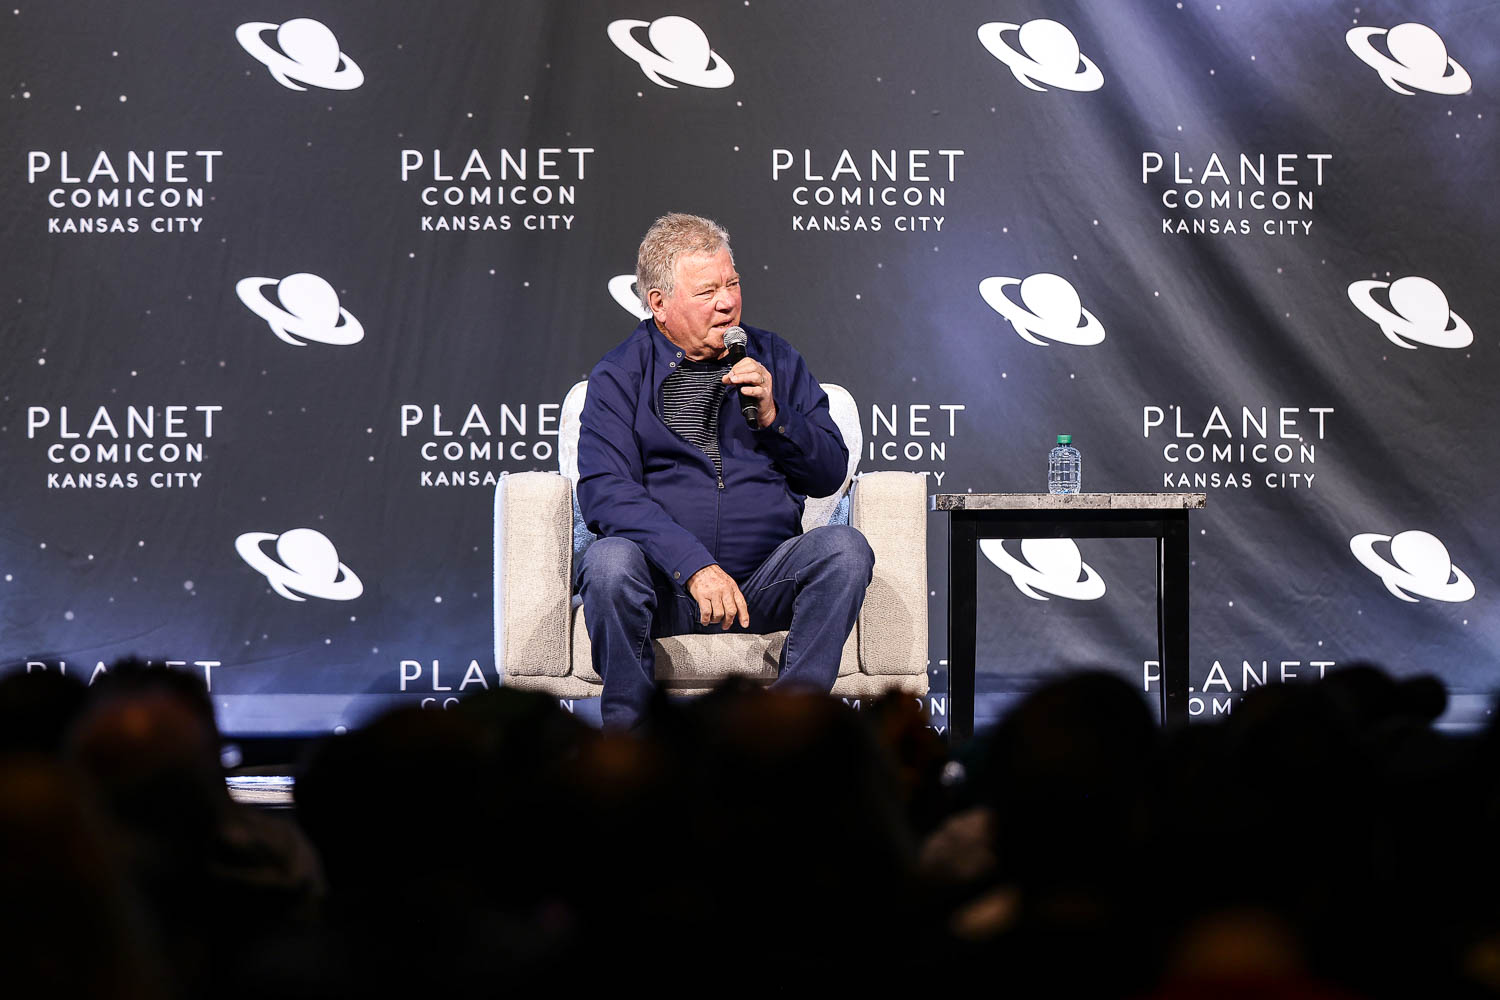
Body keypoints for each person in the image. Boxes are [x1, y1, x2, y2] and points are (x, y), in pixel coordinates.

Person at [576, 213, 874, 729]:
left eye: (732, 283)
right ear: (659, 305)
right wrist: (692, 565)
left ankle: (788, 728)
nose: (727, 302)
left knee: (845, 550)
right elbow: (606, 491)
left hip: (762, 584)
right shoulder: (619, 374)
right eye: (707, 291)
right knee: (607, 563)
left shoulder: (776, 358)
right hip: (664, 589)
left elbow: (829, 474)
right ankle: (632, 736)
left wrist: (777, 419)